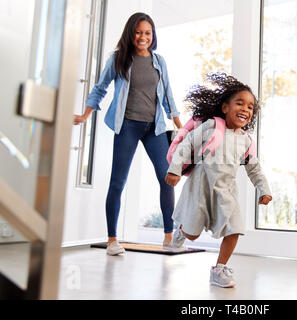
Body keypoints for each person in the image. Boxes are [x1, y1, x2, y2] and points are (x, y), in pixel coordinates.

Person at [73, 12, 182, 255]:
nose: (143, 37)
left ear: (153, 36)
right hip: (128, 126)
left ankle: (168, 237)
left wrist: (179, 123)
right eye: (138, 32)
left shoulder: (159, 61)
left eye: (148, 33)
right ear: (131, 33)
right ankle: (112, 240)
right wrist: (85, 115)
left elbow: (168, 94)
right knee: (117, 182)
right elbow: (100, 88)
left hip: (155, 127)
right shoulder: (119, 59)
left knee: (167, 177)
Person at [165, 73, 272, 288]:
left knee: (235, 229)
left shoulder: (245, 140)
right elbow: (187, 145)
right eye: (239, 103)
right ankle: (182, 231)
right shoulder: (212, 126)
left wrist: (264, 189)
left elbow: (254, 168)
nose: (245, 109)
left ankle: (219, 269)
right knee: (193, 235)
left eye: (250, 107)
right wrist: (175, 169)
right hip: (200, 188)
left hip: (227, 191)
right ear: (225, 107)